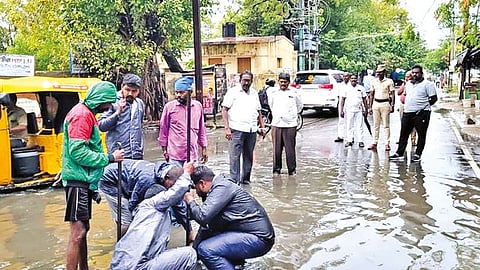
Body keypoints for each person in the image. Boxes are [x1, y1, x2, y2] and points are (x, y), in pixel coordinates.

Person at [61, 81, 125, 270]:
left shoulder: (87, 114)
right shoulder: (81, 116)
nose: (107, 107)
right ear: (101, 101)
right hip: (78, 179)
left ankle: (85, 268)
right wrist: (110, 157)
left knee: (83, 229)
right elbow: (78, 153)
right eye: (107, 104)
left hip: (84, 180)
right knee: (77, 232)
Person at [184, 165, 275, 270]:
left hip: (259, 239)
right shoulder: (217, 189)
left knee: (206, 250)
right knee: (209, 243)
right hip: (250, 235)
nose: (196, 193)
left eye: (195, 188)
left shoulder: (221, 188)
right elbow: (206, 227)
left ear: (202, 184)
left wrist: (190, 200)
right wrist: (192, 256)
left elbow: (202, 216)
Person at [110, 162, 197, 270]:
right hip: (138, 266)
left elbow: (179, 206)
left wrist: (189, 229)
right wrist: (187, 173)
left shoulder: (140, 210)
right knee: (190, 254)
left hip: (118, 264)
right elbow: (174, 194)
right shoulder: (154, 203)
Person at [99, 160, 186, 236]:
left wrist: (188, 229)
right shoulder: (148, 179)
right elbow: (133, 204)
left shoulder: (165, 174)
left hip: (127, 179)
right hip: (110, 181)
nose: (171, 189)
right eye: (171, 186)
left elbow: (178, 204)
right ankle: (122, 245)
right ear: (166, 178)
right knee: (127, 221)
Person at [221, 70, 266, 184]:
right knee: (235, 157)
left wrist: (262, 127)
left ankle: (246, 180)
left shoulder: (254, 93)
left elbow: (259, 111)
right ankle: (234, 182)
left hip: (251, 130)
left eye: (248, 81)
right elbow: (224, 110)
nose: (246, 83)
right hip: (236, 129)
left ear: (251, 81)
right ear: (240, 80)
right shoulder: (233, 92)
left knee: (249, 156)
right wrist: (227, 128)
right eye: (244, 80)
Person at [390, 65, 438, 162]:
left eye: (417, 73)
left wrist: (423, 108)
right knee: (403, 133)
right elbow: (407, 95)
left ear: (421, 73)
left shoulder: (428, 84)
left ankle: (417, 154)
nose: (415, 74)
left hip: (421, 113)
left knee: (421, 134)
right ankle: (399, 153)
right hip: (408, 112)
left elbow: (433, 99)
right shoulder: (408, 84)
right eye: (413, 72)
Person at [158, 76, 208, 166]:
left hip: (192, 154)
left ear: (190, 92)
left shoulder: (197, 107)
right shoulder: (169, 107)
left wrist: (204, 148)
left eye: (181, 92)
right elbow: (163, 129)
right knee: (176, 178)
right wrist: (164, 150)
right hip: (175, 155)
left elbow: (201, 129)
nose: (178, 95)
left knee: (192, 178)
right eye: (176, 92)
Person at [98, 73, 145, 160]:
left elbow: (139, 127)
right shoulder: (112, 101)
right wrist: (118, 112)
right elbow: (101, 126)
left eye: (134, 91)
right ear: (122, 86)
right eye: (127, 90)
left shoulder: (139, 104)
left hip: (136, 155)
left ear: (138, 91)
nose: (130, 94)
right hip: (118, 155)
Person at [268, 72, 303, 175]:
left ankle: (292, 170)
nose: (283, 84)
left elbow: (299, 106)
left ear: (289, 82)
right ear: (278, 81)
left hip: (290, 125)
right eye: (281, 81)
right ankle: (276, 170)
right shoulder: (273, 93)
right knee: (276, 150)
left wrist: (291, 116)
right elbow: (271, 105)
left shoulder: (295, 93)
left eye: (285, 82)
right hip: (277, 124)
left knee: (290, 149)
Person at [367, 64, 395, 151]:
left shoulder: (389, 81)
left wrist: (392, 105)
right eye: (378, 72)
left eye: (380, 72)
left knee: (386, 125)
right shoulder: (374, 82)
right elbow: (371, 94)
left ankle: (387, 143)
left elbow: (392, 94)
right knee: (376, 125)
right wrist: (370, 107)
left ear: (384, 72)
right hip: (376, 103)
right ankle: (374, 142)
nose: (378, 74)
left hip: (385, 103)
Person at [340, 74, 368, 148]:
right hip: (349, 110)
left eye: (355, 78)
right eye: (352, 78)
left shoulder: (361, 88)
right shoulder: (346, 88)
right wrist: (341, 110)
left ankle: (360, 141)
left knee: (360, 126)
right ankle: (349, 140)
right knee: (349, 126)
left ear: (357, 79)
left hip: (359, 110)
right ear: (350, 79)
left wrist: (366, 109)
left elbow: (364, 99)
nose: (353, 80)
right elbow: (342, 100)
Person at [397, 70, 417, 146]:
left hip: (412, 106)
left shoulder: (415, 85)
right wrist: (404, 85)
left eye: (408, 76)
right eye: (406, 76)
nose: (407, 78)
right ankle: (403, 140)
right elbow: (398, 92)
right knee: (403, 123)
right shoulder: (404, 84)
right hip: (403, 105)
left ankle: (413, 140)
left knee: (413, 124)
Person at [334, 72, 350, 142]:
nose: (345, 78)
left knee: (350, 121)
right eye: (344, 76)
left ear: (349, 77)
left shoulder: (352, 85)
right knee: (341, 120)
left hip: (350, 104)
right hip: (342, 104)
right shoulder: (340, 85)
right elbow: (338, 96)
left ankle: (350, 137)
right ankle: (340, 136)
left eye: (347, 76)